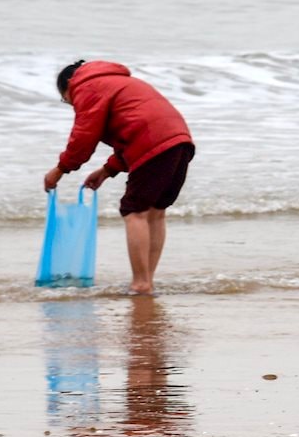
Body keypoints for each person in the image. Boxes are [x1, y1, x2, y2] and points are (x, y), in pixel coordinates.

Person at [44, 59, 196, 296]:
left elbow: (84, 136)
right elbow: (135, 129)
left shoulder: (86, 86)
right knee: (155, 212)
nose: (71, 103)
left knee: (134, 211)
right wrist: (107, 171)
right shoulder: (120, 82)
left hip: (154, 142)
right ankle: (146, 281)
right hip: (180, 142)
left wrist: (60, 169)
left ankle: (141, 284)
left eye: (66, 100)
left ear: (68, 86)